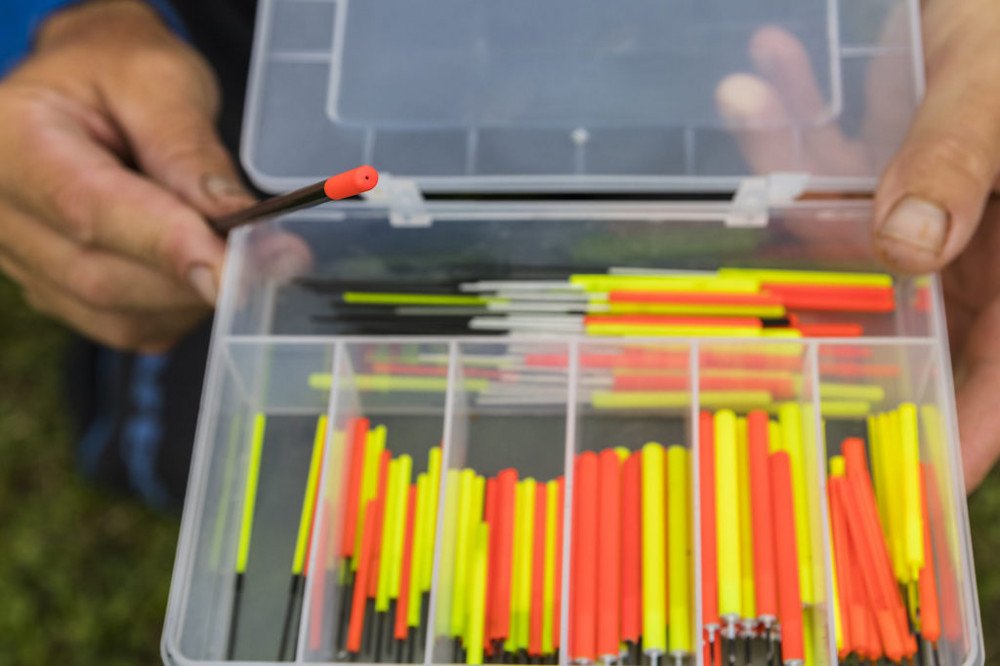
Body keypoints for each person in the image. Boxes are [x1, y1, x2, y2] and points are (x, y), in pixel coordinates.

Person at [1, 0, 998, 508]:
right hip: (303, 105)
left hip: (762, 121)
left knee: (771, 431)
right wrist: (76, 21)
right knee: (220, 441)